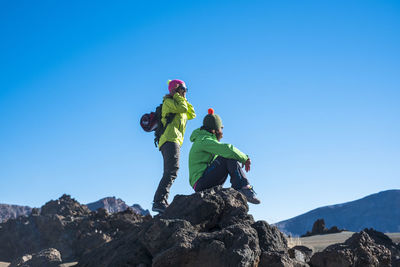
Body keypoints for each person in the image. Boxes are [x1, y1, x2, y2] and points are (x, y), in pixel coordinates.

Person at [188, 108, 260, 204]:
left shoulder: (205, 139)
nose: (222, 131)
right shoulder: (204, 140)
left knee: (228, 155)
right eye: (221, 128)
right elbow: (227, 149)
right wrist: (245, 158)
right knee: (227, 156)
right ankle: (242, 188)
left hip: (203, 181)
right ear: (214, 130)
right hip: (201, 182)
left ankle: (241, 188)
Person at [152, 79, 196, 213]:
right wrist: (177, 95)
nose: (184, 92)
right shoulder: (168, 102)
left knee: (171, 170)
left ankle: (161, 201)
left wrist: (183, 97)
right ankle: (159, 201)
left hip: (174, 140)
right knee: (171, 170)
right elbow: (183, 108)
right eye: (182, 89)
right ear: (174, 90)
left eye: (185, 90)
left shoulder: (178, 103)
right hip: (170, 139)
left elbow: (191, 114)